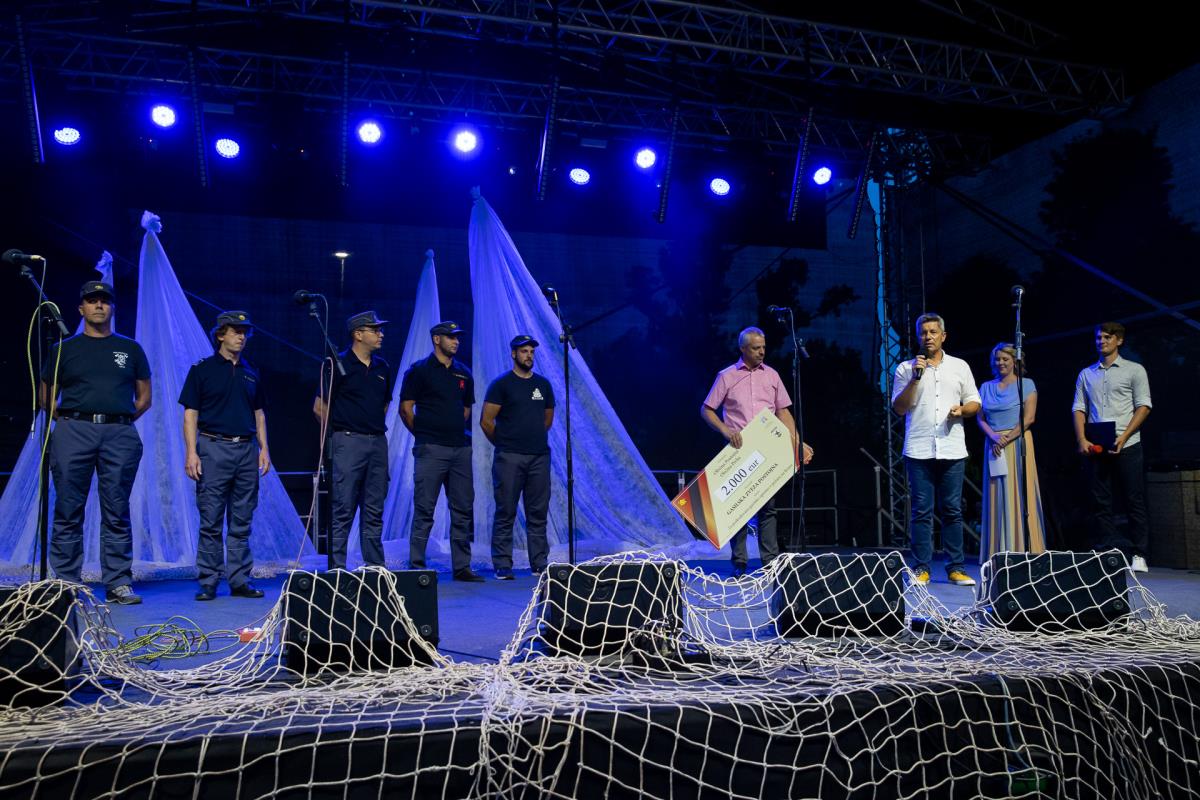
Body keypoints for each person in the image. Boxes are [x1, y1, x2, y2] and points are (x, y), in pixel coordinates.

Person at [41, 281, 151, 605]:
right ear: (81, 308)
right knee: (68, 507)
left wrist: (119, 418)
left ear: (112, 307)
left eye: (104, 300)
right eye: (92, 300)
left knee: (116, 509)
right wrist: (72, 419)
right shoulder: (63, 348)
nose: (99, 305)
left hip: (118, 433)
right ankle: (66, 582)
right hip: (74, 430)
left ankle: (118, 583)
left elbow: (144, 397)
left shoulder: (130, 349)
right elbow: (46, 395)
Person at [701, 327, 813, 577]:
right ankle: (739, 563)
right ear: (743, 349)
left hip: (766, 448)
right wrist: (725, 429)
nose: (762, 352)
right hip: (738, 449)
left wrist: (797, 442)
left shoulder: (771, 375)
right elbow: (706, 409)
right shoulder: (727, 376)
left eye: (763, 347)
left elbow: (783, 411)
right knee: (737, 509)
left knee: (768, 507)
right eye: (755, 348)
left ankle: (770, 562)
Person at [179, 311, 270, 601]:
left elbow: (259, 413)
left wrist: (264, 449)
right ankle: (208, 581)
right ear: (220, 335)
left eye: (245, 332)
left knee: (242, 520)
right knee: (211, 519)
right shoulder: (202, 370)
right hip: (213, 447)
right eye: (235, 331)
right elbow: (190, 415)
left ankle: (240, 580)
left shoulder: (250, 371)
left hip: (245, 450)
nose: (242, 337)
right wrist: (191, 452)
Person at [891, 313, 980, 586]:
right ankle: (921, 568)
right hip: (919, 449)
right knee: (921, 511)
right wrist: (915, 378)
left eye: (932, 332)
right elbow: (899, 408)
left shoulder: (959, 366)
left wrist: (962, 410)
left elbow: (974, 402)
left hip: (952, 449)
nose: (927, 336)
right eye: (923, 332)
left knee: (952, 510)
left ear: (943, 336)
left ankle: (956, 568)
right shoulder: (906, 369)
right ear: (918, 337)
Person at [399, 320, 483, 582]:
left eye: (457, 337)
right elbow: (406, 409)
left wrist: (450, 429)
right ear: (437, 339)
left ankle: (462, 567)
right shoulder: (419, 370)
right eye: (450, 337)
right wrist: (425, 434)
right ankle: (417, 564)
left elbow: (466, 410)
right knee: (425, 508)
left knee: (462, 508)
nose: (456, 341)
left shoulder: (463, 373)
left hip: (459, 450)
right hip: (431, 448)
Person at [313, 311, 392, 571]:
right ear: (358, 334)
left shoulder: (382, 367)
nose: (381, 334)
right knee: (343, 507)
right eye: (375, 330)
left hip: (377, 443)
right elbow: (319, 407)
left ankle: (375, 567)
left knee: (374, 508)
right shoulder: (337, 364)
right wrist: (343, 428)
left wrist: (369, 426)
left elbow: (384, 404)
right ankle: (337, 568)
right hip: (348, 442)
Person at [1073, 321, 1153, 572]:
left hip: (1127, 443)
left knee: (1133, 499)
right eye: (1099, 337)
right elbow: (1079, 408)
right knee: (1100, 502)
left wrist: (1124, 436)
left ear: (1119, 340)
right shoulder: (1087, 374)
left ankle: (1139, 553)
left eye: (1107, 337)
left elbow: (1144, 406)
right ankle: (1108, 551)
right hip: (1097, 445)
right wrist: (1082, 439)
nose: (1102, 341)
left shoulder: (1134, 370)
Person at [480, 335, 555, 580]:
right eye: (524, 351)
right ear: (514, 354)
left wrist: (531, 439)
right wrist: (505, 444)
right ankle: (502, 564)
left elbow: (547, 420)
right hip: (509, 457)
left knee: (538, 512)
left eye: (531, 352)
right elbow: (486, 421)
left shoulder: (543, 385)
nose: (529, 355)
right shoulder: (501, 384)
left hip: (538, 457)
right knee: (506, 510)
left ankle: (539, 562)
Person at [977, 343, 1045, 563]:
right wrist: (994, 437)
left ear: (1015, 361)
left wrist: (1006, 438)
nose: (1001, 363)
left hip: (1017, 442)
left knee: (1020, 493)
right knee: (996, 495)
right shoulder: (985, 387)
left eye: (1005, 359)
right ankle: (997, 551)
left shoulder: (1026, 384)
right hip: (994, 444)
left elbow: (1029, 418)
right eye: (997, 359)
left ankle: (1025, 548)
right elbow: (980, 418)